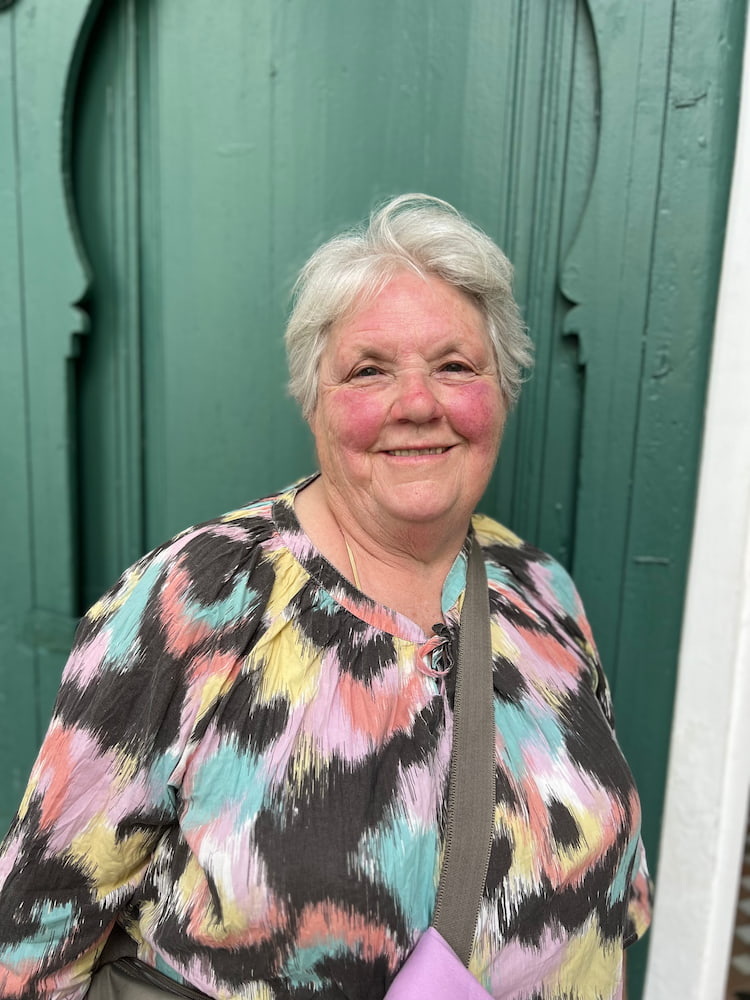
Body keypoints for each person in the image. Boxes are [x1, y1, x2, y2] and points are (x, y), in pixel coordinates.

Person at [0, 194, 651, 1000]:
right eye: (369, 370)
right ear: (314, 399)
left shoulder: (539, 587)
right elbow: (31, 940)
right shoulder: (202, 599)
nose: (418, 403)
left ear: (503, 389)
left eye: (455, 365)